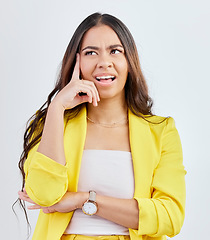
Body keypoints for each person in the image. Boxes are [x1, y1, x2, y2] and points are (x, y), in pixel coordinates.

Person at [18, 12, 186, 240]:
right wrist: (57, 107)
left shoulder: (161, 131)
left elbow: (170, 217)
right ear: (76, 62)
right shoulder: (51, 123)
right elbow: (45, 196)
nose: (104, 62)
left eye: (115, 51)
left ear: (129, 62)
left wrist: (84, 199)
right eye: (91, 53)